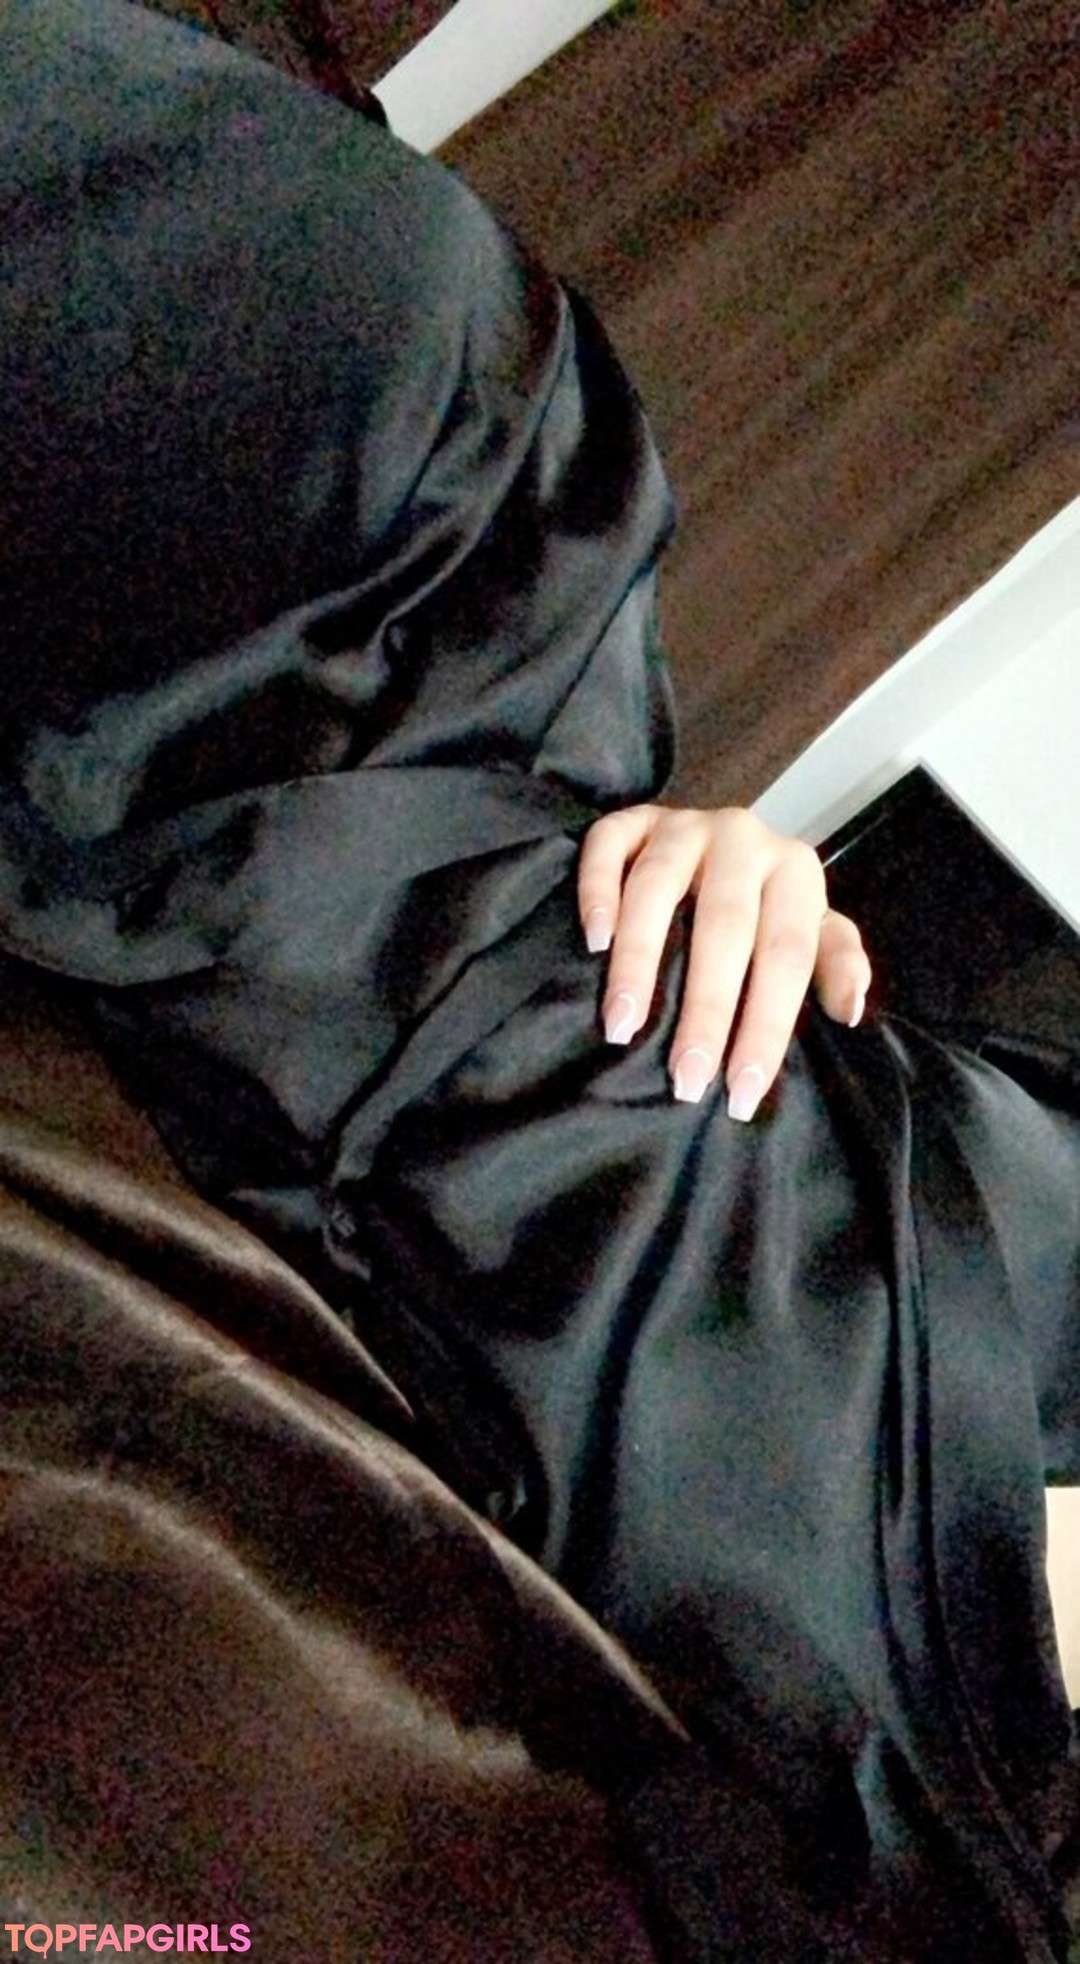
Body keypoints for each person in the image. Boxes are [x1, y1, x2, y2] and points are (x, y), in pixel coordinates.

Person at [2, 4, 1078, 1958]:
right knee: (365, 309)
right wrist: (762, 876)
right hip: (444, 600)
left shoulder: (928, 1887)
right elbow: (816, 1121)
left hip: (249, 942)